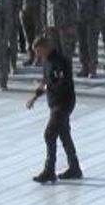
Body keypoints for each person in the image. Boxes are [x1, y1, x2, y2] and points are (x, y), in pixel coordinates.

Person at [24, 36, 82, 184]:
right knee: (63, 134)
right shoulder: (47, 61)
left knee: (49, 134)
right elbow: (46, 81)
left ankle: (49, 170)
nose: (38, 55)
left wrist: (49, 86)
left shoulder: (60, 61)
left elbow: (61, 83)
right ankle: (74, 167)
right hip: (55, 103)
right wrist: (34, 97)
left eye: (39, 51)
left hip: (63, 103)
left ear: (46, 47)